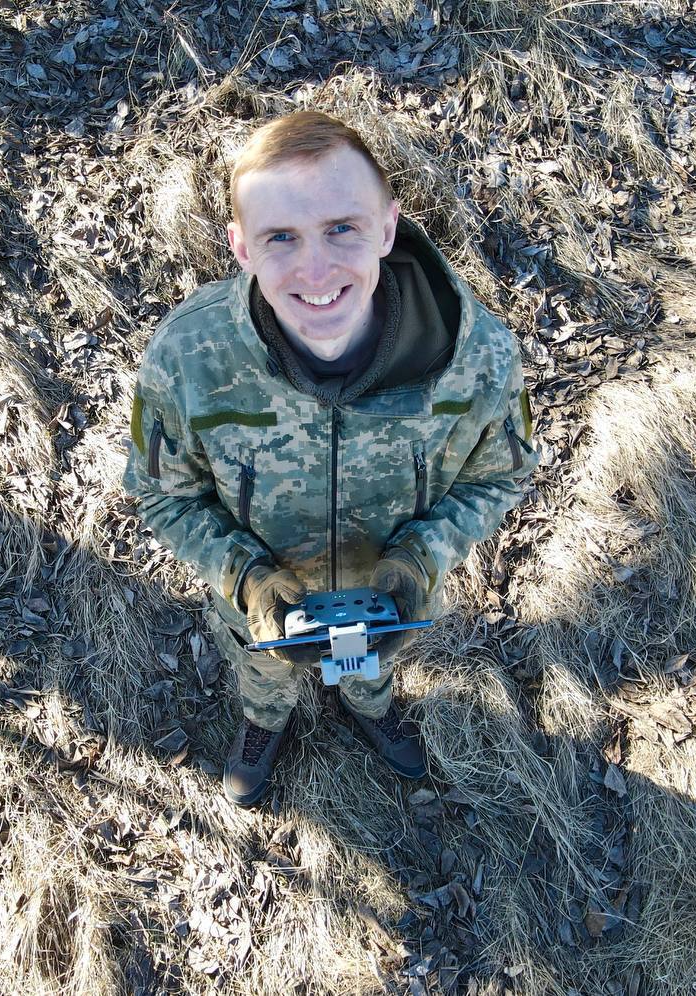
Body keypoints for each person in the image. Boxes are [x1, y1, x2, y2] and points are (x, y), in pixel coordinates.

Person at [123, 111, 537, 806]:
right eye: (281, 236)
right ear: (242, 247)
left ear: (387, 227)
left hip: (390, 605)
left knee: (373, 669)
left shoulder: (478, 358)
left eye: (342, 227)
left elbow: (501, 474)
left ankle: (370, 705)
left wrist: (422, 559)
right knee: (264, 673)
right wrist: (247, 581)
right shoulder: (187, 356)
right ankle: (264, 721)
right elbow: (164, 492)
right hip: (258, 612)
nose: (315, 271)